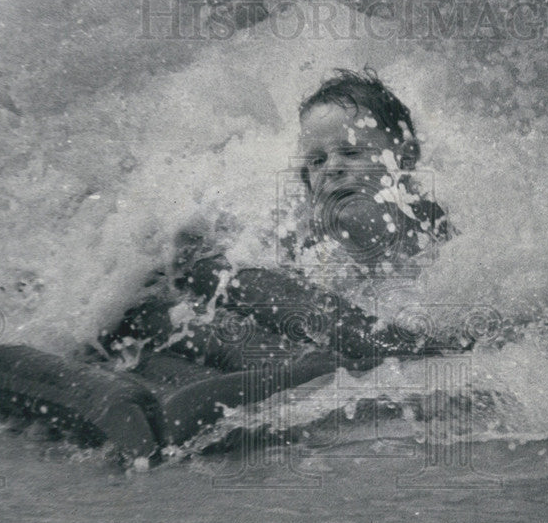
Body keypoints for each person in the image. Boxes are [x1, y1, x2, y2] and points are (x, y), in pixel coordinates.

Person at [104, 67, 457, 373]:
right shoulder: (308, 237)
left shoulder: (432, 230)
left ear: (405, 157)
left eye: (351, 152)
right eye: (317, 161)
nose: (332, 168)